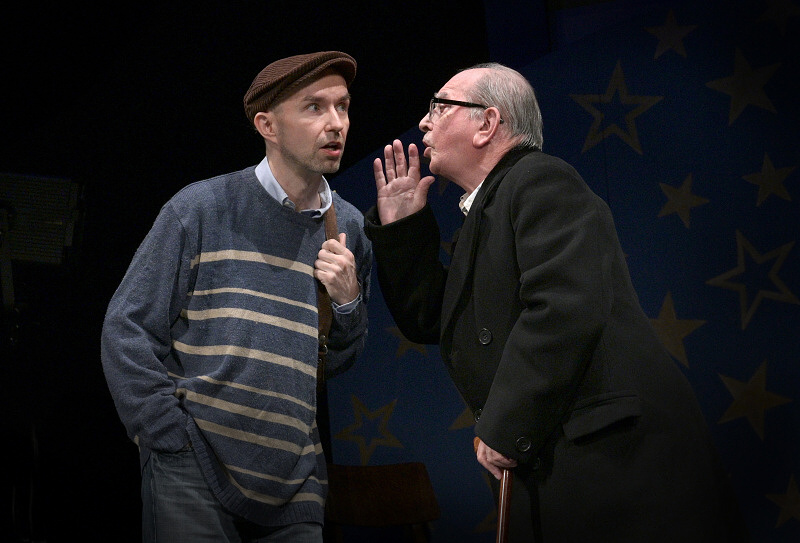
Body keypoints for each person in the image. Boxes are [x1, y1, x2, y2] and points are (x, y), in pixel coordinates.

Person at [364, 62, 748, 541]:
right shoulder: (489, 210)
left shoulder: (539, 180)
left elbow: (564, 306)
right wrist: (403, 227)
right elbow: (433, 319)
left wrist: (505, 424)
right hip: (567, 460)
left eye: (440, 107)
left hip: (616, 463)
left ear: (487, 123)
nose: (425, 121)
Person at [100, 51, 372, 543]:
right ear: (268, 125)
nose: (336, 123)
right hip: (194, 466)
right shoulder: (202, 207)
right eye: (314, 107)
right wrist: (166, 434)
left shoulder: (347, 227)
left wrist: (348, 303)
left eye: (343, 106)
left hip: (295, 480)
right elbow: (128, 327)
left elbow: (333, 364)